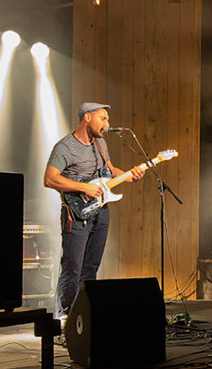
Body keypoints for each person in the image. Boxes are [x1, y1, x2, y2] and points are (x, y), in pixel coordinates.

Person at [44, 101, 144, 318]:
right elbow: (50, 179)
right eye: (103, 118)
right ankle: (64, 318)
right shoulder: (65, 147)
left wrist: (128, 175)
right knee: (73, 267)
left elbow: (110, 170)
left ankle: (84, 317)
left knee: (91, 267)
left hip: (100, 211)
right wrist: (83, 187)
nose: (107, 123)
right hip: (76, 214)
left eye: (107, 119)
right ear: (87, 117)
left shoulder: (100, 143)